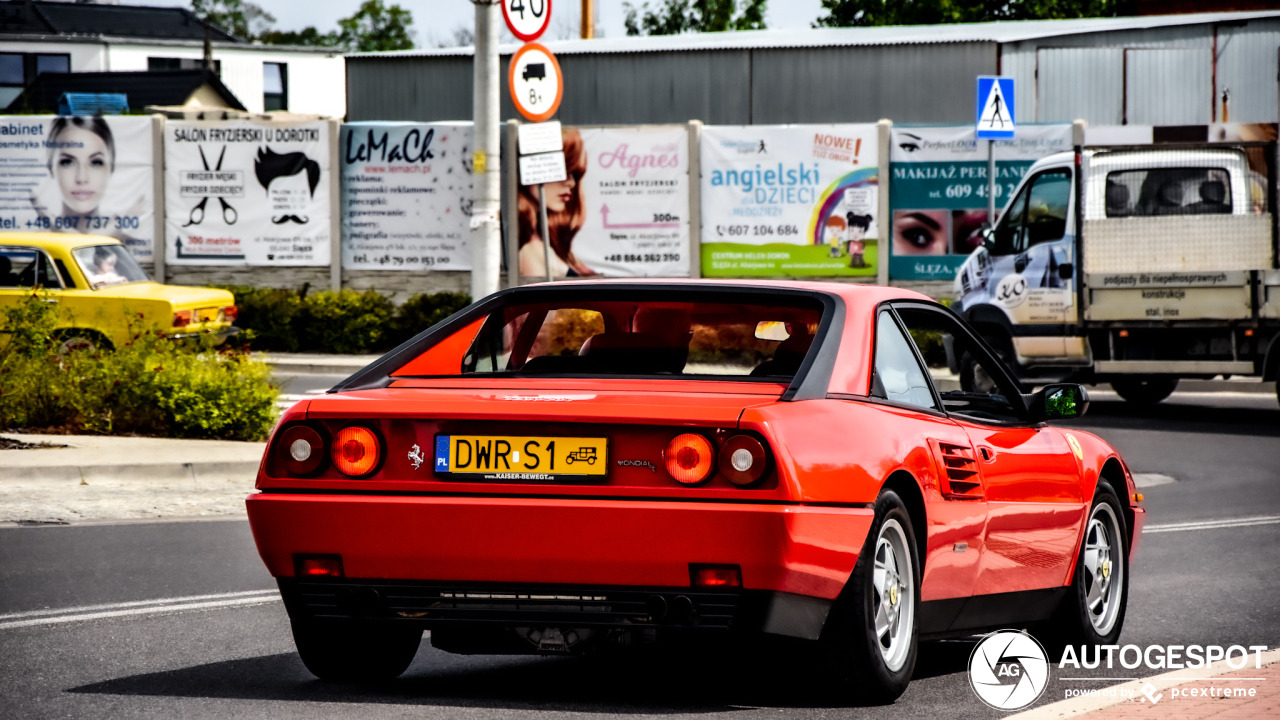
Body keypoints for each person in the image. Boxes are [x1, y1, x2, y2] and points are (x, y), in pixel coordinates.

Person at [33, 117, 144, 240]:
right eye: (67, 162)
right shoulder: (32, 246)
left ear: (111, 168)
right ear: (51, 168)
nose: (81, 178)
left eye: (96, 162)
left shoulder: (139, 250)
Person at [518, 129, 594, 278]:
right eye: (562, 170)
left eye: (574, 174)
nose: (571, 182)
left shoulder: (547, 242)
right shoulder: (529, 250)